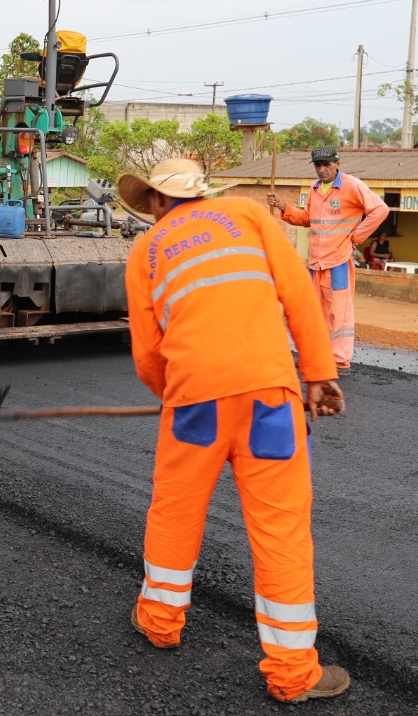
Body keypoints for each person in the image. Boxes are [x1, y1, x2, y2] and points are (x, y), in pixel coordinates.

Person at [119, 157, 349, 705]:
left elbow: (149, 353)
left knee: (174, 512)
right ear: (201, 194)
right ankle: (294, 673)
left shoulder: (145, 252)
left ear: (154, 201)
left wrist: (174, 398)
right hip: (271, 399)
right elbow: (298, 296)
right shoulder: (246, 215)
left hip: (193, 406)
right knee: (281, 530)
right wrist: (318, 375)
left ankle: (158, 621)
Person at [266, 147, 388, 370]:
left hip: (338, 263)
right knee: (316, 311)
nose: (321, 169)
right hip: (316, 263)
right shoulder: (314, 189)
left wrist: (357, 237)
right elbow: (307, 219)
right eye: (317, 165)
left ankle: (339, 359)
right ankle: (319, 355)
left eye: (326, 165)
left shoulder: (352, 185)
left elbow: (380, 210)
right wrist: (283, 206)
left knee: (338, 313)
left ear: (337, 163)